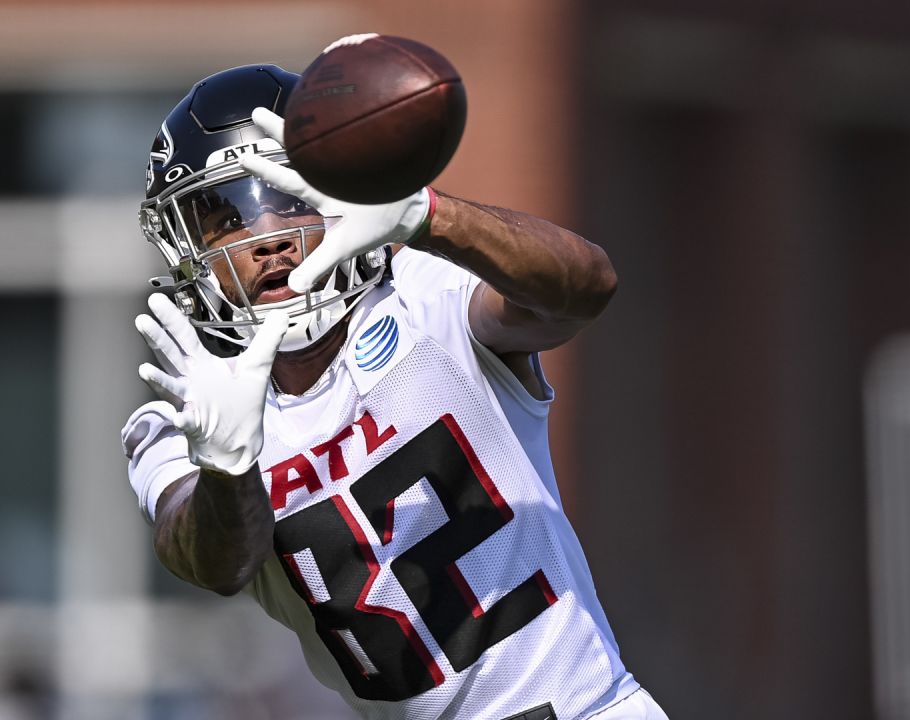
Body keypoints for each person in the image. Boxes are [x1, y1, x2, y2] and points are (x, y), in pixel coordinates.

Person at [121, 57, 667, 720]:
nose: (267, 238)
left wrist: (429, 215)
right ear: (188, 252)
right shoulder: (185, 414)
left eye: (290, 197)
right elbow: (214, 563)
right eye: (228, 216)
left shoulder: (422, 297)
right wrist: (229, 467)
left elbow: (585, 288)